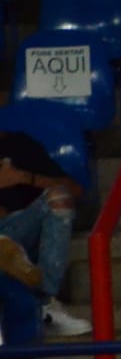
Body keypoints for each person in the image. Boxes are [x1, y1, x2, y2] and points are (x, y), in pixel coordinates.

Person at [0, 130, 92, 337]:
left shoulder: (17, 144)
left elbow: (75, 190)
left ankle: (46, 302)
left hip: (19, 231)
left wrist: (22, 177)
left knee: (59, 197)